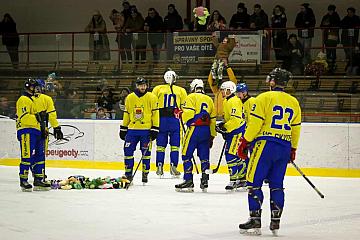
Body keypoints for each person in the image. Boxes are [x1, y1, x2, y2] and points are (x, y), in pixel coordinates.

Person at [237, 68, 301, 236]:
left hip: (265, 145)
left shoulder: (263, 98)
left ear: (273, 82)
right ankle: (275, 221)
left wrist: (244, 142)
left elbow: (255, 124)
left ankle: (255, 218)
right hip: (284, 146)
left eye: (270, 79)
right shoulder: (294, 102)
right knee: (277, 185)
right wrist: (293, 148)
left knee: (253, 182)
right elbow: (296, 129)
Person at [175, 79, 216, 192]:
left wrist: (180, 115)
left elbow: (188, 116)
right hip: (206, 131)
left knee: (186, 154)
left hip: (194, 129)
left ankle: (188, 180)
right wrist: (212, 135)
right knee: (204, 156)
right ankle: (205, 180)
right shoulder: (209, 99)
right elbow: (212, 119)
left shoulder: (191, 97)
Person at [119, 77, 159, 184]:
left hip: (146, 130)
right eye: (141, 85)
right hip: (132, 130)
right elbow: (127, 113)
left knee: (146, 153)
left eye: (144, 85)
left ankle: (145, 173)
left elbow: (155, 114)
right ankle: (128, 174)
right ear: (137, 86)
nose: (143, 87)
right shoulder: (130, 97)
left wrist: (155, 128)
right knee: (128, 151)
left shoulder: (152, 97)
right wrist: (124, 127)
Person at [16, 79, 51, 191]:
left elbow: (37, 118)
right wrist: (38, 117)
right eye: (34, 87)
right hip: (26, 130)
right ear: (28, 87)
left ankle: (38, 179)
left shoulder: (32, 100)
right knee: (27, 156)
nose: (36, 89)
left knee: (40, 155)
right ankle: (23, 180)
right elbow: (24, 117)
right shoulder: (23, 99)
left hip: (36, 131)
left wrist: (42, 128)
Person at [152, 70, 187, 178]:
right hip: (175, 120)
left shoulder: (158, 89)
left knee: (160, 146)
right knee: (175, 145)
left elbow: (153, 104)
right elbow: (184, 107)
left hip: (161, 119)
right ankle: (174, 165)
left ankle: (159, 165)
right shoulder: (181, 90)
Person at [216, 81, 247, 191]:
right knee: (237, 155)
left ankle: (234, 180)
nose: (222, 92)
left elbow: (236, 119)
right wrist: (225, 127)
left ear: (229, 90)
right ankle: (243, 179)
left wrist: (225, 128)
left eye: (224, 90)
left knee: (230, 155)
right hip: (234, 131)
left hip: (237, 132)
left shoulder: (233, 101)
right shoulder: (229, 101)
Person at [32, 79, 63, 180]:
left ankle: (35, 170)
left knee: (28, 153)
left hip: (29, 129)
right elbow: (52, 115)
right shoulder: (46, 98)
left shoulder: (25, 98)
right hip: (41, 129)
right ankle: (38, 172)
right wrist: (56, 127)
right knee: (40, 152)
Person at [320, 5, 341, 73]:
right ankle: (329, 65)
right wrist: (326, 25)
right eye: (329, 10)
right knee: (328, 50)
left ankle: (332, 65)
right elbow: (321, 25)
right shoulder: (326, 16)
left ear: (333, 10)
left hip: (333, 35)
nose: (330, 12)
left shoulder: (336, 17)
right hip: (327, 35)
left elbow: (337, 25)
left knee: (332, 50)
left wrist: (328, 24)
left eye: (331, 10)